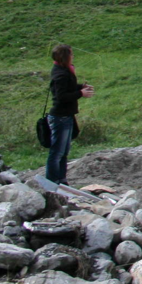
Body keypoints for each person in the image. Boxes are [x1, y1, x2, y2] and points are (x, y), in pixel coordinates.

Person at [46, 44, 94, 186]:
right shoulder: (61, 74)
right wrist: (80, 93)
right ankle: (53, 181)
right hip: (60, 116)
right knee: (57, 152)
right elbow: (61, 96)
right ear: (65, 57)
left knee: (64, 152)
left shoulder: (63, 71)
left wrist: (80, 87)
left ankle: (61, 180)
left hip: (66, 116)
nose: (73, 57)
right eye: (71, 54)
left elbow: (67, 88)